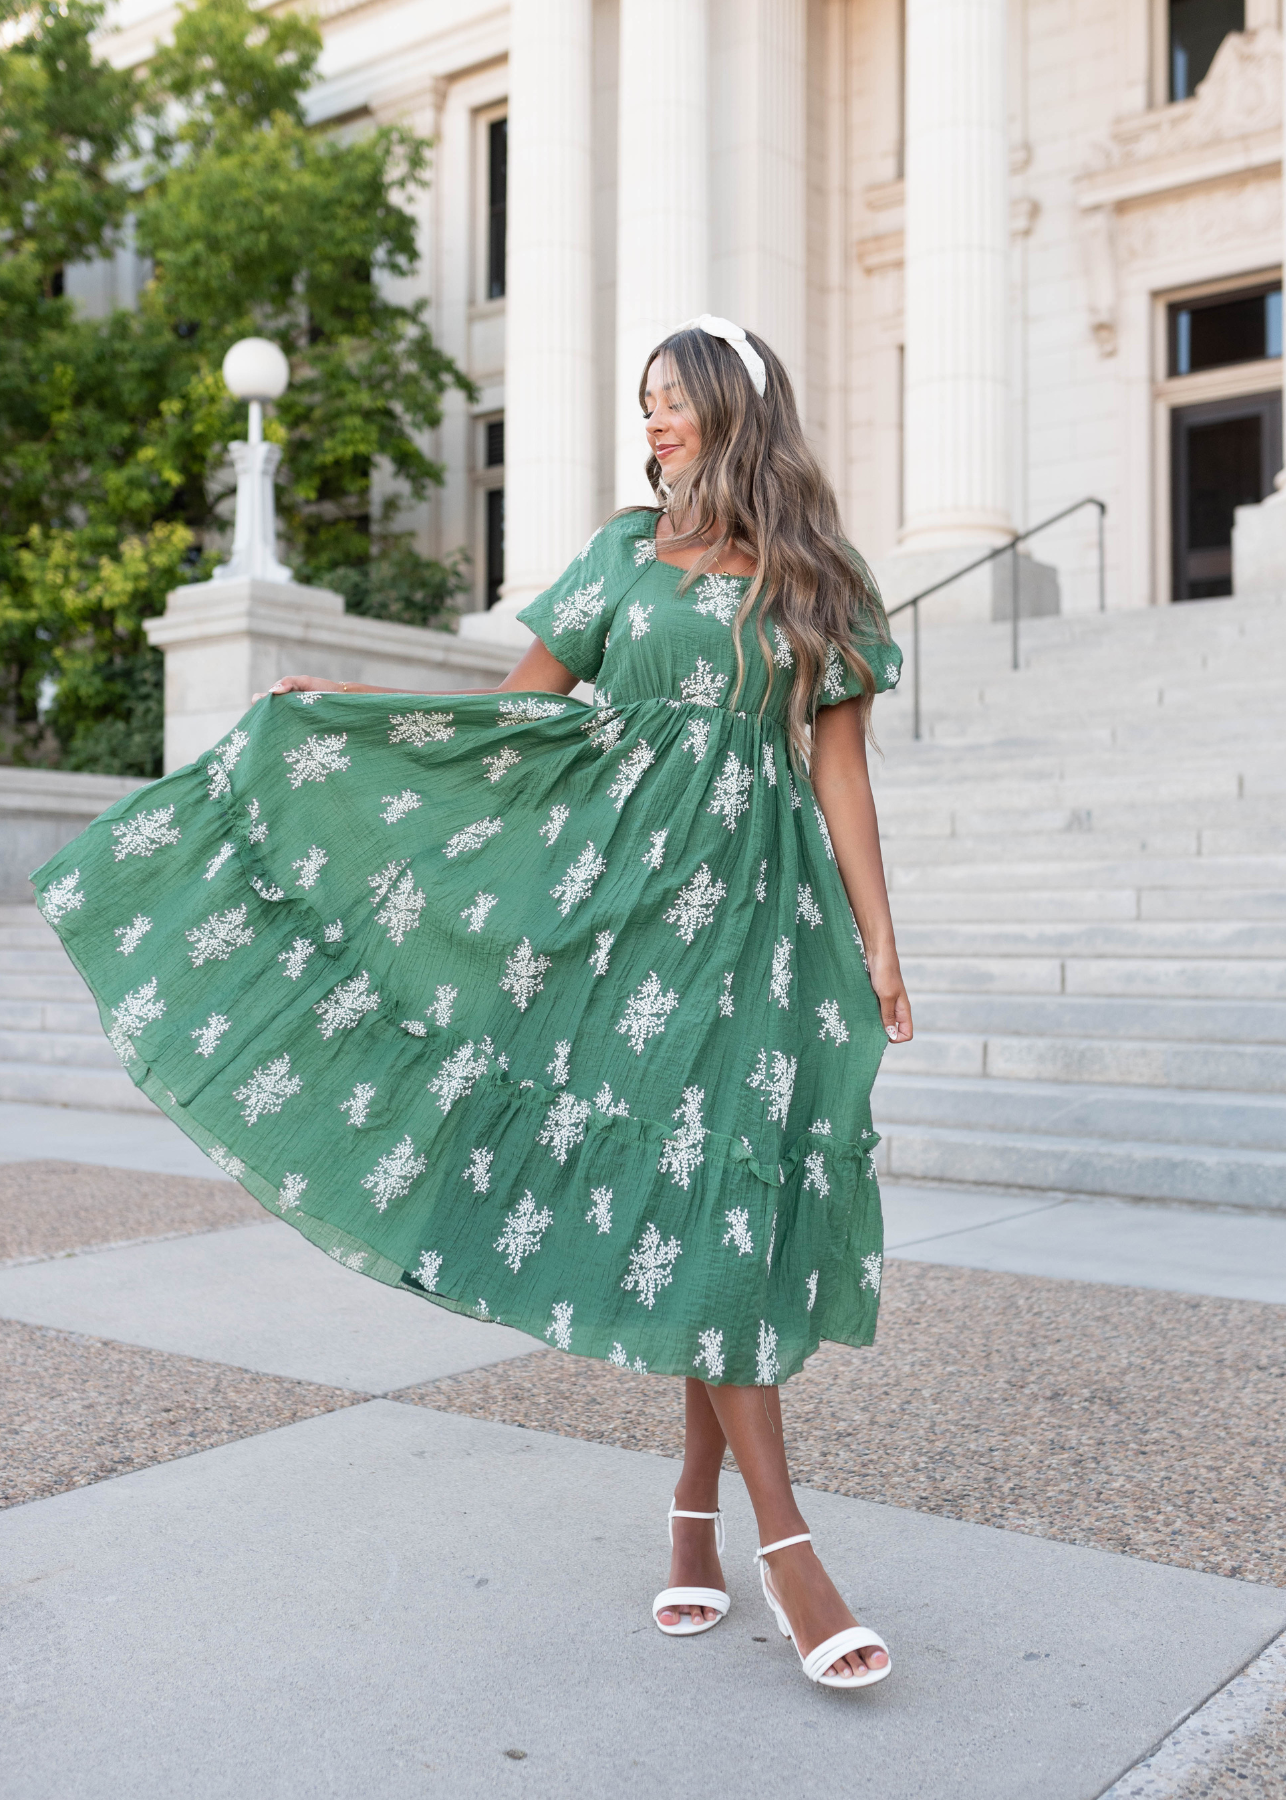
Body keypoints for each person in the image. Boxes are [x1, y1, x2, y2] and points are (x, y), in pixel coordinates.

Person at [32, 315, 911, 1690]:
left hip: (762, 923)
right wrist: (360, 707)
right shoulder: (625, 555)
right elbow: (519, 718)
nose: (655, 422)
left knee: (724, 1210)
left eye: (675, 401)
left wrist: (878, 940)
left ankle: (693, 1522)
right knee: (700, 1210)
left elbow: (841, 772)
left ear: (738, 408)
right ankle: (783, 1547)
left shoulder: (817, 580)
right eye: (644, 403)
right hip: (624, 924)